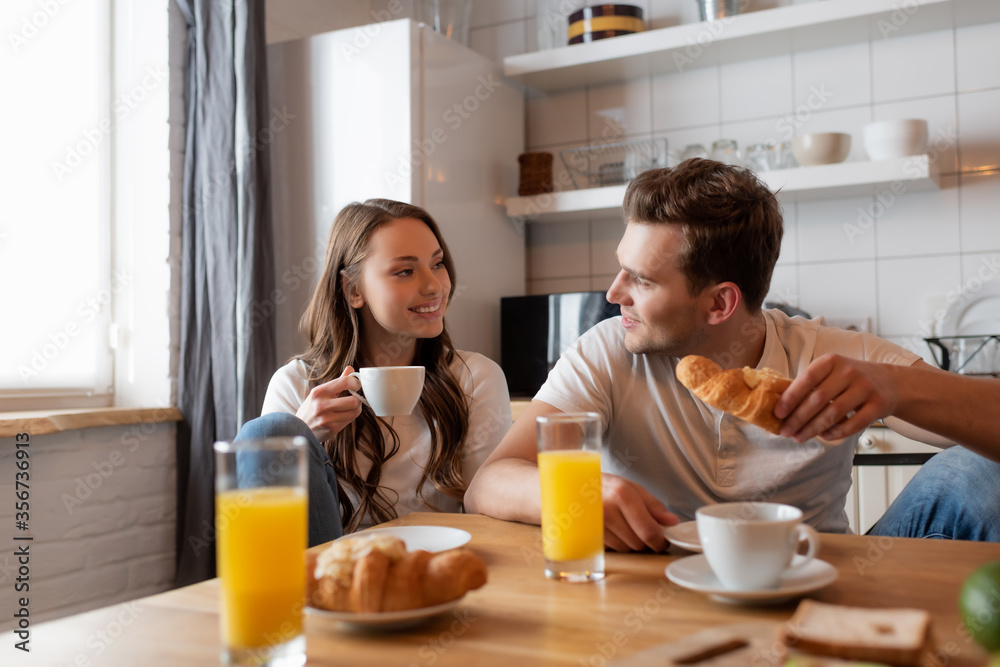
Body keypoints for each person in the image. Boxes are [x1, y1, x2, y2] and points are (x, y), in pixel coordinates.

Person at [465, 159, 1000, 551]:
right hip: (655, 578)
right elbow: (489, 483)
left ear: (720, 302)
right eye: (620, 267)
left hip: (815, 573)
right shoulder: (607, 352)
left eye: (642, 280)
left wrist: (897, 386)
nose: (613, 293)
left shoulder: (831, 355)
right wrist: (574, 495)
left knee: (978, 474)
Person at [238, 199, 512, 546]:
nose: (434, 286)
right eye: (405, 271)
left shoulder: (476, 377)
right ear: (354, 291)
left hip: (435, 563)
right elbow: (266, 526)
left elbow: (487, 512)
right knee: (273, 433)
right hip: (331, 569)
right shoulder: (296, 384)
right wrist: (305, 437)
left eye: (437, 264)